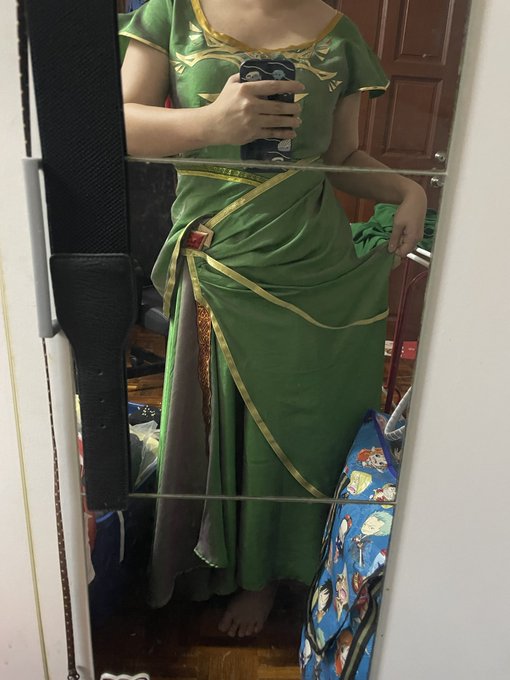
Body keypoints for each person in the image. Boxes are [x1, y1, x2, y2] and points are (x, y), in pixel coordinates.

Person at [118, 0, 426, 639]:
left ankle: (266, 576)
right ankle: (208, 564)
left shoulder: (340, 36)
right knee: (217, 417)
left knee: (301, 419)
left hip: (313, 261)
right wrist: (211, 122)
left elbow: (344, 156)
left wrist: (410, 190)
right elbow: (114, 126)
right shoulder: (172, 13)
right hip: (219, 255)